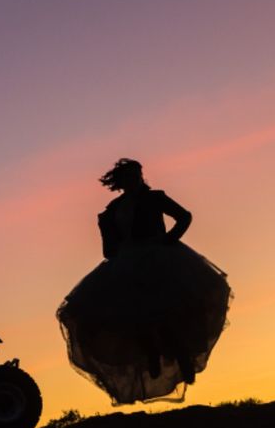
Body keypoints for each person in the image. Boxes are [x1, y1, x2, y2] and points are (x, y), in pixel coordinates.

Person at [57, 159, 231, 404]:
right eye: (129, 176)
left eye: (137, 175)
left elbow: (184, 217)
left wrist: (168, 241)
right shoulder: (112, 209)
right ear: (122, 181)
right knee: (130, 314)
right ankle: (151, 353)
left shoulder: (155, 198)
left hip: (160, 259)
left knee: (165, 311)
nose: (134, 180)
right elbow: (108, 249)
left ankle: (179, 355)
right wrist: (115, 248)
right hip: (126, 263)